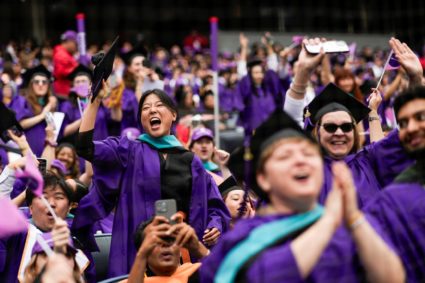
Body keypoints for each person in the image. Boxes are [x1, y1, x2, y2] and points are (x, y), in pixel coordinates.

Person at [201, 109, 404, 282]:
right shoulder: (243, 239)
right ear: (263, 178)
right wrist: (329, 220)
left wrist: (354, 218)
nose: (301, 161)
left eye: (308, 154)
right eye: (285, 157)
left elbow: (392, 277)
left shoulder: (351, 226)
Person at [73, 88, 230, 278]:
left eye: (159, 105)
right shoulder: (128, 151)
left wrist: (215, 225)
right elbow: (84, 148)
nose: (152, 110)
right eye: (146, 108)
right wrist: (95, 101)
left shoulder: (191, 161)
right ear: (141, 120)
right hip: (137, 252)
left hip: (182, 253)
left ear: (173, 114)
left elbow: (214, 205)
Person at [284, 39, 412, 207]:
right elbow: (289, 125)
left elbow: (410, 129)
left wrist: (416, 79)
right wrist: (302, 73)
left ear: (354, 131)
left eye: (346, 127)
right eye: (330, 127)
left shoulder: (368, 162)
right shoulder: (306, 168)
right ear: (318, 131)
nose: (339, 132)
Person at [364, 85, 425, 281]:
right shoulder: (399, 194)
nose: (411, 128)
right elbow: (378, 150)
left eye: (420, 117)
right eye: (403, 123)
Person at [0, 172, 93, 283]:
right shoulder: (14, 236)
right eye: (43, 197)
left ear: (69, 207)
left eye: (59, 197)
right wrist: (10, 172)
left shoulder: (77, 246)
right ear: (30, 208)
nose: (51, 203)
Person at [124, 214, 210, 283]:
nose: (165, 245)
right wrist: (141, 257)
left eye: (170, 239)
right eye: (156, 241)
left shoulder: (199, 272)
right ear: (144, 250)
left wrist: (198, 248)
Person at [17, 64, 58, 156]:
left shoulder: (50, 104)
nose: (40, 85)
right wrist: (42, 115)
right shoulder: (22, 100)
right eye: (36, 82)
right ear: (31, 85)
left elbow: (59, 130)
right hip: (26, 152)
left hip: (47, 153)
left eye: (44, 82)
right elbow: (20, 124)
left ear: (48, 85)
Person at [53, 30, 79, 99]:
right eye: (75, 44)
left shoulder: (66, 54)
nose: (76, 47)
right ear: (69, 42)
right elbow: (61, 72)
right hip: (63, 94)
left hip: (66, 92)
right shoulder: (61, 54)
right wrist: (77, 69)